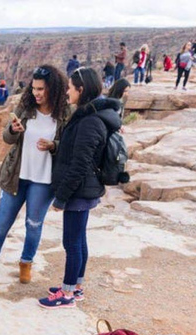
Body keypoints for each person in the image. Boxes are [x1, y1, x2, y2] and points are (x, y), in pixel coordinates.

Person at [39, 67, 121, 309]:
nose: (67, 91)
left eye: (70, 87)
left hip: (79, 190)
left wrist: (61, 197)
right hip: (84, 188)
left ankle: (66, 294)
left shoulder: (90, 121)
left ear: (81, 90)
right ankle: (76, 286)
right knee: (79, 239)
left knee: (72, 242)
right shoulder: (90, 116)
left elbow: (80, 164)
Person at [0, 65, 69, 284]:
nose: (37, 93)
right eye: (35, 88)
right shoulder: (25, 108)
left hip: (44, 180)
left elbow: (68, 145)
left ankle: (26, 263)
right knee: (2, 222)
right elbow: (7, 139)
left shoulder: (65, 113)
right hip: (17, 175)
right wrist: (13, 130)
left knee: (34, 224)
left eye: (42, 89)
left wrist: (53, 145)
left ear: (53, 89)